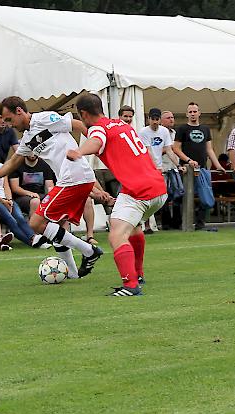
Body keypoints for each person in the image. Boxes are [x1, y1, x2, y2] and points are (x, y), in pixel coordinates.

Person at [0, 96, 107, 279]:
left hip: (73, 176)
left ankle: (89, 251)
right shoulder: (28, 138)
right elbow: (12, 162)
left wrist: (99, 145)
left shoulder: (44, 119)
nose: (8, 124)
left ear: (20, 112)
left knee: (36, 223)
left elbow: (77, 124)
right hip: (70, 178)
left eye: (9, 119)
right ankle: (72, 272)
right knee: (56, 226)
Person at [69, 93, 167, 296]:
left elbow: (96, 141)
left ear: (84, 114)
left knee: (116, 235)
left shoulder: (98, 128)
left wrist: (79, 152)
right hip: (158, 188)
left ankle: (131, 286)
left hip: (139, 190)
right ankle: (137, 274)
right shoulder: (122, 124)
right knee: (133, 228)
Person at [172, 102, 225, 231]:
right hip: (187, 169)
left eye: (195, 111)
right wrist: (188, 160)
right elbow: (176, 148)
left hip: (202, 169)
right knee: (182, 197)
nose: (192, 114)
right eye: (190, 112)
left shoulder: (205, 129)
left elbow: (209, 149)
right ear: (186, 114)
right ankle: (181, 223)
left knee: (204, 196)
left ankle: (200, 224)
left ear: (199, 113)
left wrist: (218, 165)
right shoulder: (182, 129)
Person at [0, 141, 39, 247]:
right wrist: (2, 201)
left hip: (5, 198)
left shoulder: (1, 166)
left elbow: (6, 186)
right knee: (10, 219)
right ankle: (31, 242)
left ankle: (34, 237)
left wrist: (9, 200)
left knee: (20, 217)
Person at [138, 107, 177, 234]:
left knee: (160, 197)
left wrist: (178, 164)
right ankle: (147, 225)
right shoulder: (143, 132)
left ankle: (149, 223)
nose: (155, 122)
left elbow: (169, 150)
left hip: (159, 169)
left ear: (160, 120)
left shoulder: (164, 131)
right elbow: (148, 152)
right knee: (148, 197)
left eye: (157, 119)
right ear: (148, 119)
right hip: (146, 169)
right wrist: (155, 168)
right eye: (152, 119)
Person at [160, 110, 182, 230]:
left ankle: (177, 222)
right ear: (162, 120)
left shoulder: (175, 133)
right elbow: (154, 150)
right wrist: (168, 149)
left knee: (177, 195)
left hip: (174, 168)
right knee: (165, 197)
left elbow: (177, 149)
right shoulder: (158, 133)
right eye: (168, 118)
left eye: (172, 117)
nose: (171, 119)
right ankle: (166, 223)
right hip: (163, 168)